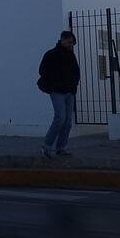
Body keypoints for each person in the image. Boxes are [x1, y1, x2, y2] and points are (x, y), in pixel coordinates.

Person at [37, 30, 80, 158]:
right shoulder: (51, 54)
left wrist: (74, 84)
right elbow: (42, 70)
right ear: (63, 39)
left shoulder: (71, 55)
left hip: (69, 91)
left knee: (67, 122)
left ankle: (61, 148)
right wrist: (55, 82)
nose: (71, 45)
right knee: (60, 118)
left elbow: (76, 71)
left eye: (73, 43)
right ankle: (46, 146)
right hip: (57, 91)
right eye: (70, 42)